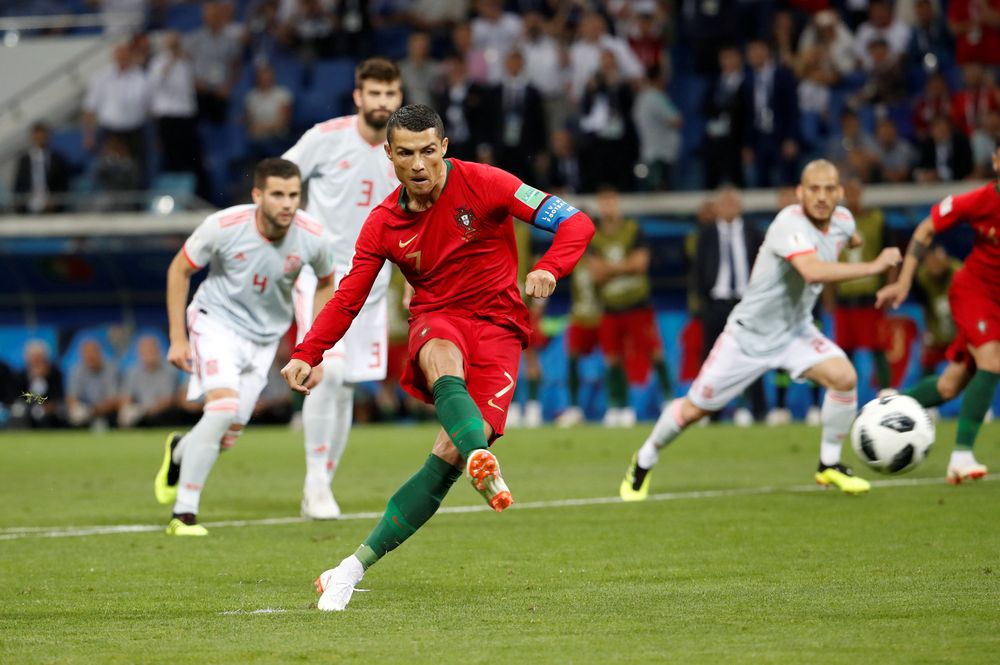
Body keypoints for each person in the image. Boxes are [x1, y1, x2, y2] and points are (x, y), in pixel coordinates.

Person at [281, 104, 594, 611]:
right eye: (406, 153)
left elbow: (577, 223)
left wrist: (552, 269)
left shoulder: (488, 182)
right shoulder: (382, 224)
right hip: (437, 317)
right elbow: (347, 299)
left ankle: (348, 568)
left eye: (429, 150)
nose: (419, 164)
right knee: (439, 355)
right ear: (389, 156)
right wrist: (308, 352)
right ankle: (481, 460)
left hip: (500, 329)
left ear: (444, 147)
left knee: (445, 458)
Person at [620, 160, 902, 501]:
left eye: (830, 189)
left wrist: (852, 242)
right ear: (800, 193)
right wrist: (873, 265)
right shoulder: (789, 223)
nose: (822, 197)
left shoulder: (843, 220)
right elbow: (811, 271)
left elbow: (850, 237)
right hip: (747, 337)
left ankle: (829, 464)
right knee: (694, 409)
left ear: (840, 193)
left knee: (844, 377)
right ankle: (645, 457)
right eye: (814, 189)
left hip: (795, 332)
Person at [153, 158, 336, 536]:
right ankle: (184, 513)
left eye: (294, 195)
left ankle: (181, 450)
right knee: (222, 409)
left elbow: (325, 283)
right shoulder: (223, 226)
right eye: (278, 195)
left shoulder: (313, 236)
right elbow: (179, 270)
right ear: (258, 196)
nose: (288, 204)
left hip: (263, 340)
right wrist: (176, 337)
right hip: (214, 322)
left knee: (227, 432)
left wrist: (315, 349)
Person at [282, 58, 404, 521]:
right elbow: (280, 176)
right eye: (374, 94)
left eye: (390, 94)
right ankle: (315, 482)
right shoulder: (325, 137)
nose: (382, 103)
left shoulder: (405, 151)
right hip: (322, 274)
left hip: (373, 283)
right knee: (325, 374)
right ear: (358, 96)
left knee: (347, 386)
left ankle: (322, 483)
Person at [876, 141, 1000, 485]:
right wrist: (903, 281)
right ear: (995, 161)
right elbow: (926, 228)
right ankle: (961, 456)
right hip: (974, 291)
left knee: (949, 385)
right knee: (992, 360)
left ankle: (888, 405)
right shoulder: (980, 200)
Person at [589, 186, 671, 427]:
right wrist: (626, 266)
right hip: (610, 307)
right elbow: (595, 274)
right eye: (603, 202)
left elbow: (641, 264)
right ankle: (618, 407)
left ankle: (668, 401)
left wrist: (610, 269)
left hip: (638, 304)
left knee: (654, 351)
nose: (608, 207)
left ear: (619, 204)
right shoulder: (593, 235)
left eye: (612, 202)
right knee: (612, 357)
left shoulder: (633, 230)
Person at [693, 187, 766, 424]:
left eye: (731, 203)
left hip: (746, 304)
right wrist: (704, 302)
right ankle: (710, 412)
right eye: (723, 203)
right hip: (717, 304)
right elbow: (698, 270)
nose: (727, 207)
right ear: (716, 208)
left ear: (740, 206)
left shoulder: (753, 233)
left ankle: (757, 410)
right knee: (712, 360)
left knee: (752, 356)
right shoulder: (706, 234)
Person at [833, 179, 893, 391]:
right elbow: (825, 261)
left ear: (862, 192)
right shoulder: (833, 223)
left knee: (878, 349)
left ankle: (886, 395)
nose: (852, 196)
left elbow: (891, 256)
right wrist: (828, 298)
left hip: (870, 296)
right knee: (844, 352)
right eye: (847, 192)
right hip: (845, 296)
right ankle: (844, 395)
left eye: (855, 191)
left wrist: (890, 288)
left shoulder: (876, 219)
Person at [118, 335, 183, 428]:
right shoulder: (132, 372)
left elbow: (168, 401)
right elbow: (125, 397)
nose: (148, 354)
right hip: (140, 414)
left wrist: (144, 411)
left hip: (161, 414)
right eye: (145, 351)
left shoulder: (169, 371)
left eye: (151, 350)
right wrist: (128, 409)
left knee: (167, 415)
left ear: (158, 351)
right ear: (139, 353)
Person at [13, 122, 69, 214]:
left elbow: (63, 185)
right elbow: (18, 186)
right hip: (29, 205)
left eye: (42, 136)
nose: (39, 139)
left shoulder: (57, 159)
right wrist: (24, 201)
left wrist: (55, 201)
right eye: (37, 136)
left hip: (51, 206)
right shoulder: (24, 160)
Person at [66, 339, 120, 429]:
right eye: (87, 354)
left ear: (99, 354)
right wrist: (78, 408)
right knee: (73, 416)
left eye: (92, 354)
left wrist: (92, 410)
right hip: (84, 412)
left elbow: (114, 401)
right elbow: (71, 398)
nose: (90, 357)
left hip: (106, 413)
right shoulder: (76, 370)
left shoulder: (111, 369)